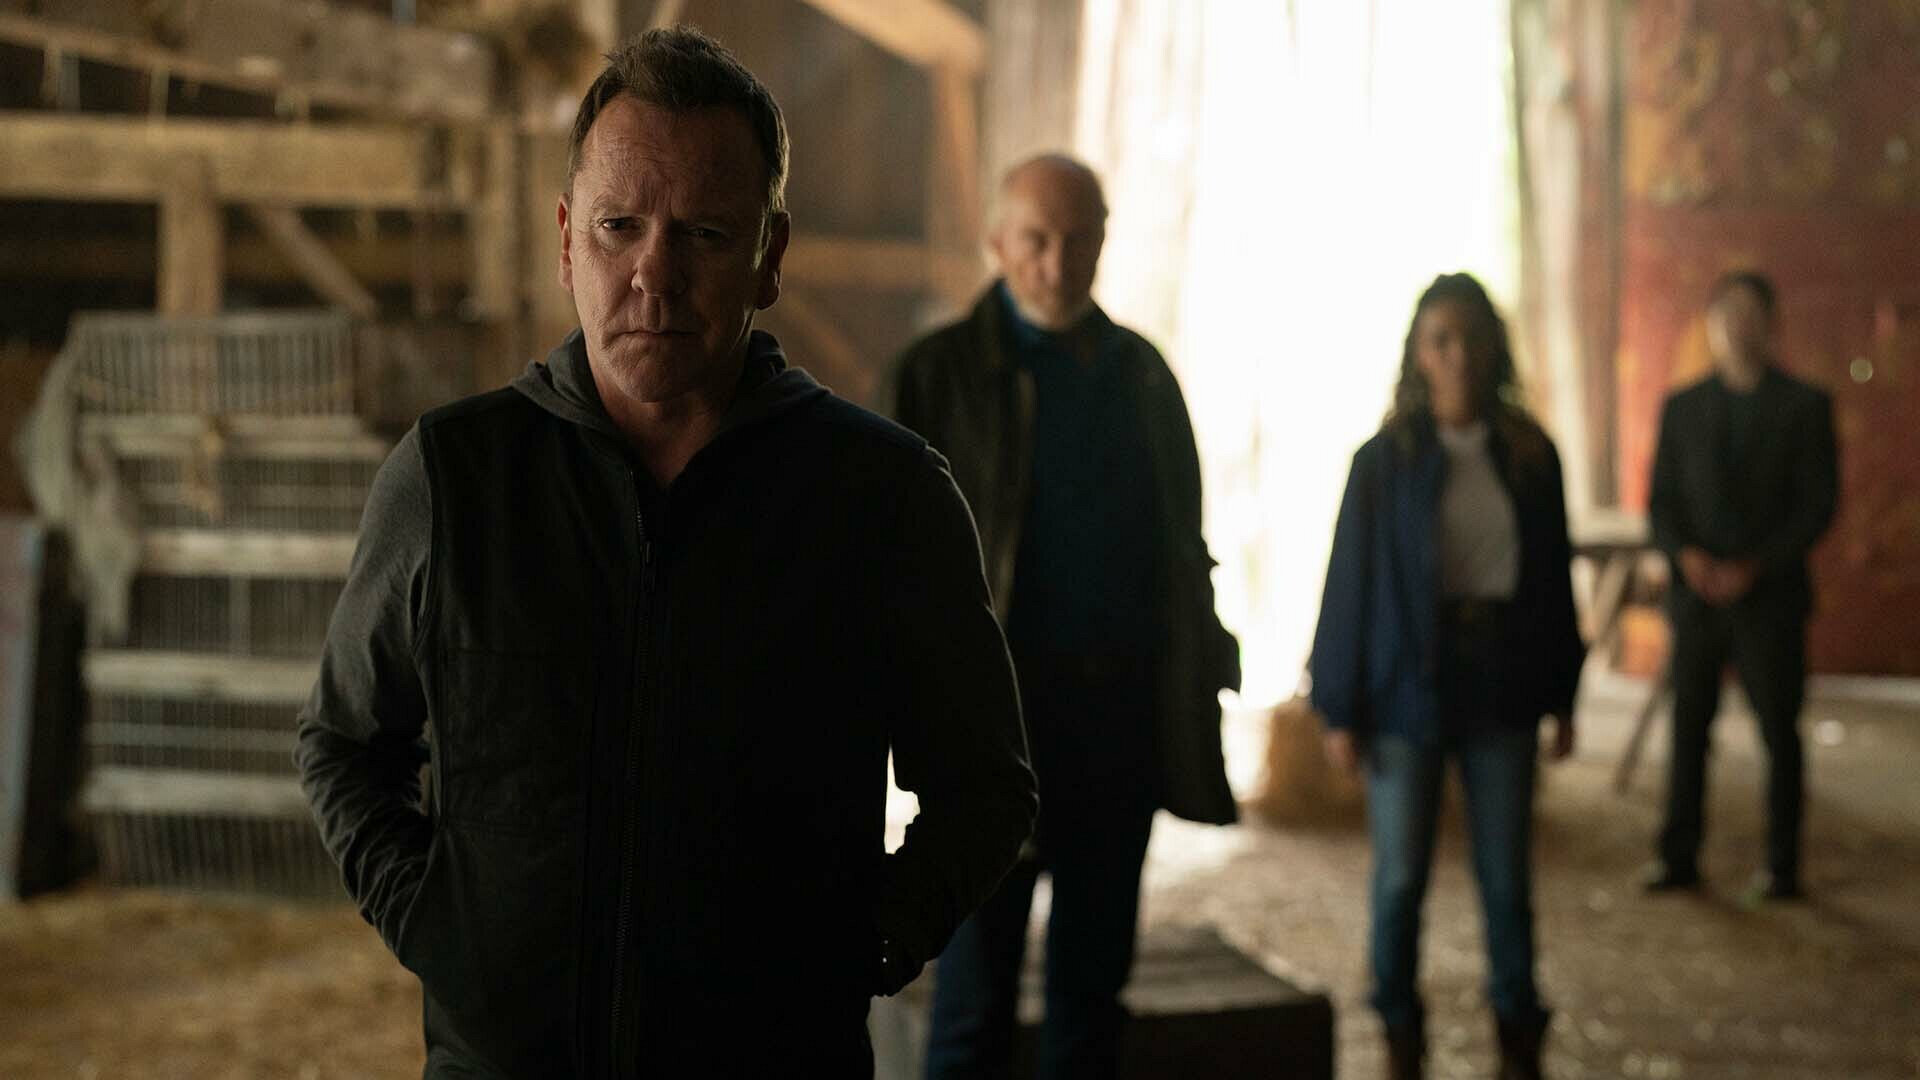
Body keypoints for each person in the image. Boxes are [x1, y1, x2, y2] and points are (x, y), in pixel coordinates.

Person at [295, 28, 1037, 1078]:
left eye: (705, 232)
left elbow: (985, 789)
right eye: (620, 226)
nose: (655, 273)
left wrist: (864, 947)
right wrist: (438, 930)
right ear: (567, 240)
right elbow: (343, 743)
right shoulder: (454, 480)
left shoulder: (883, 498)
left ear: (769, 255)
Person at [891, 154, 1241, 1079]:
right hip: (989, 735)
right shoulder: (937, 376)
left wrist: (1192, 688)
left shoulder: (1142, 377)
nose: (1057, 262)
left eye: (1078, 239)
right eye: (1036, 240)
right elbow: (885, 566)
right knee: (972, 1003)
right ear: (997, 242)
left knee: (1091, 1001)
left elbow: (1182, 556)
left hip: (1113, 730)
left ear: (1103, 242)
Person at [1309, 274, 1585, 1080]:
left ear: (1495, 348)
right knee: (1399, 878)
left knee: (1507, 879)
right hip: (1406, 690)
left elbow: (1551, 585)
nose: (1458, 354)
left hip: (1502, 681)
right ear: (1419, 355)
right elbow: (1349, 584)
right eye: (1441, 340)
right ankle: (1400, 1035)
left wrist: (1562, 695)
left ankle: (1518, 1036)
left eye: (1471, 337)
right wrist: (1339, 706)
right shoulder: (1383, 462)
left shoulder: (1530, 456)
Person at [1644, 270, 1838, 901]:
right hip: (1697, 597)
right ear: (1711, 325)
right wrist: (1687, 558)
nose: (1737, 327)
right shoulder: (1683, 407)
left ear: (1771, 324)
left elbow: (1817, 506)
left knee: (1779, 732)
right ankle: (1678, 856)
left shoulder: (1804, 407)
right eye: (1726, 314)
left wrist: (1757, 566)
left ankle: (1782, 865)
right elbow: (1661, 502)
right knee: (1688, 729)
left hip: (1770, 599)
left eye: (1750, 314)